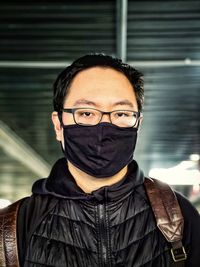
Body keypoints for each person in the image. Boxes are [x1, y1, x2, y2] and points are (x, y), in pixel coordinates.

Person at [2, 54, 200, 266]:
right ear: (59, 125)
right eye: (86, 113)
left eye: (121, 114)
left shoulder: (177, 215)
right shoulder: (12, 228)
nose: (104, 127)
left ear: (138, 125)